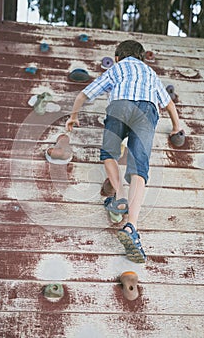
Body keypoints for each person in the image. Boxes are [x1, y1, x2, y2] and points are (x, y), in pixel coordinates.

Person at [65, 40, 182, 263]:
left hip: (119, 106)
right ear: (141, 57)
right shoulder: (150, 73)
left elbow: (84, 95)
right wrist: (177, 127)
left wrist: (73, 116)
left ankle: (119, 197)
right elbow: (169, 105)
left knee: (109, 154)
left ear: (117, 57)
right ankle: (132, 227)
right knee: (139, 168)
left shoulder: (116, 69)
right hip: (146, 110)